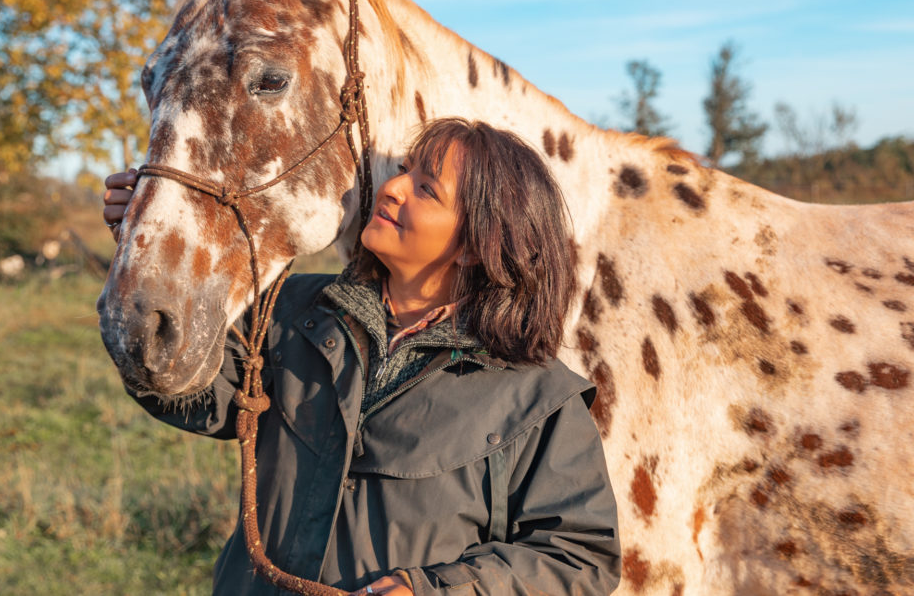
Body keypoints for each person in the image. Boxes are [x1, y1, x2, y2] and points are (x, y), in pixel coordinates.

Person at [102, 117, 621, 596]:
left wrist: (434, 591)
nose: (391, 189)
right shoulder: (290, 310)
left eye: (425, 188)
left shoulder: (538, 396)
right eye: (402, 172)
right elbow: (192, 393)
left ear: (475, 244)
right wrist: (149, 251)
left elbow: (579, 559)